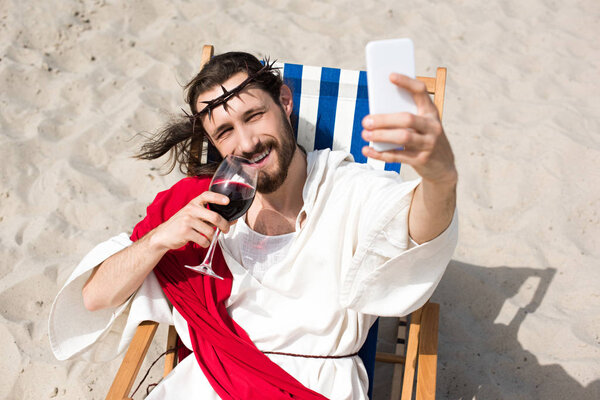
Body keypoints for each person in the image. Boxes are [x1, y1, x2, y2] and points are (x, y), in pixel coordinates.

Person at [49, 51, 458, 399]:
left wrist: (440, 178)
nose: (246, 143)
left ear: (285, 100)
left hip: (312, 387)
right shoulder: (196, 204)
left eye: (254, 116)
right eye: (226, 131)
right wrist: (156, 241)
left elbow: (417, 228)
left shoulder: (348, 190)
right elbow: (94, 298)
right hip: (208, 382)